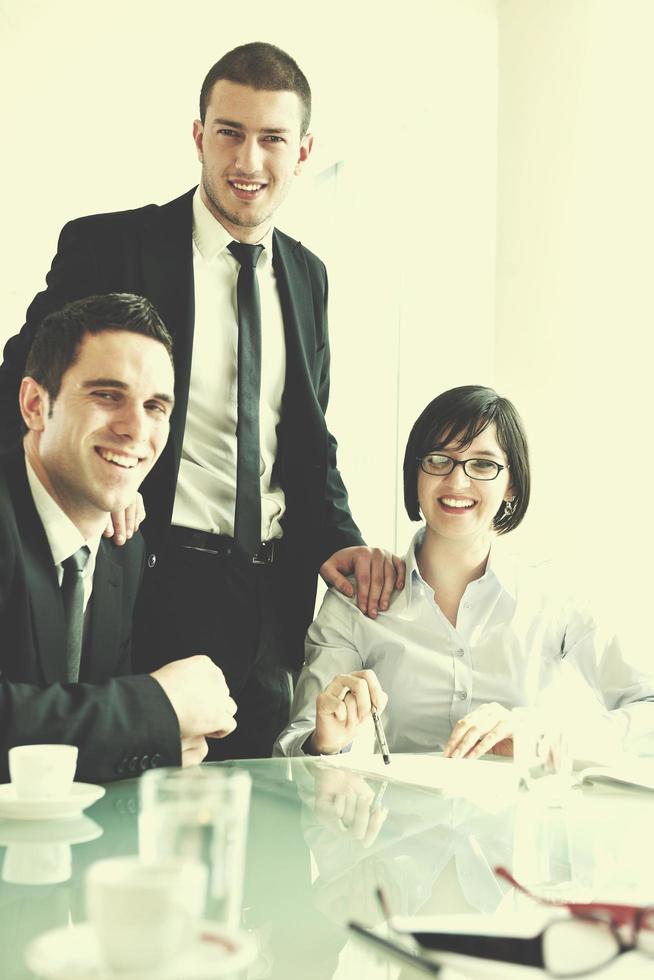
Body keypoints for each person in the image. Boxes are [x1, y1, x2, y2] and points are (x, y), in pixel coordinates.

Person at [0, 42, 403, 759]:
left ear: (302, 151)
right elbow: (20, 385)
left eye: (272, 139)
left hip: (269, 599)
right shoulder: (112, 246)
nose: (249, 161)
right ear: (199, 136)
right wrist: (102, 483)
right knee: (138, 797)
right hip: (149, 572)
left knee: (258, 813)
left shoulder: (309, 278)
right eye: (230, 133)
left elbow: (306, 445)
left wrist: (338, 539)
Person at [275, 385, 654, 759]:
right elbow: (293, 747)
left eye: (483, 464)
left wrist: (539, 737)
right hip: (399, 818)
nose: (457, 482)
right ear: (415, 474)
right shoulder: (355, 601)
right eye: (439, 460)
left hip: (522, 817)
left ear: (512, 485)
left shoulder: (554, 597)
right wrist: (323, 744)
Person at [0, 293, 237, 783]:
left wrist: (164, 736)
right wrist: (156, 711)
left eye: (155, 407)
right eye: (108, 395)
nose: (135, 429)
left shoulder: (121, 551)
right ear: (34, 405)